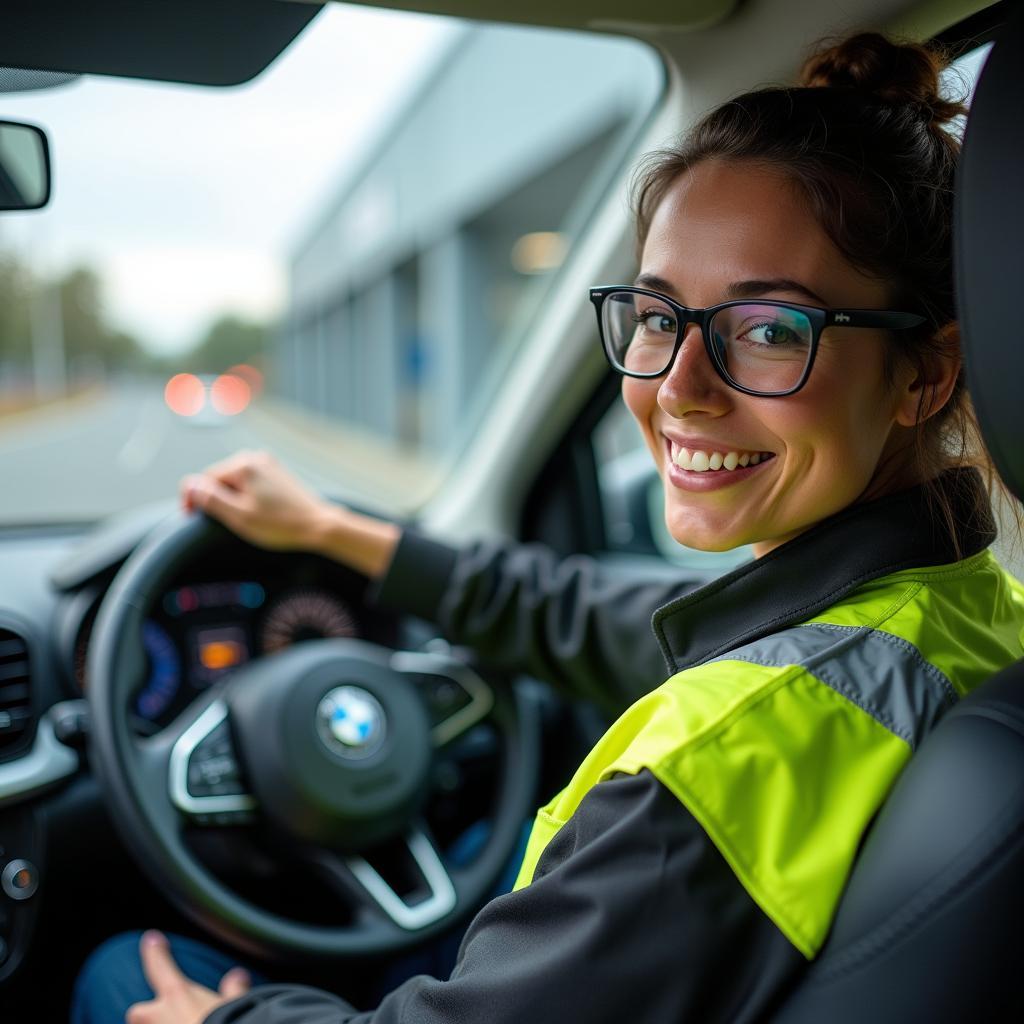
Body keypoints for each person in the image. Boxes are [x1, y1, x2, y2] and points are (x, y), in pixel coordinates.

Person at [73, 31, 1024, 1024]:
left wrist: (218, 1021)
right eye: (657, 315)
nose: (676, 390)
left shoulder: (721, 761)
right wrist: (327, 528)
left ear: (927, 372)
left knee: (120, 975)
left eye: (768, 330)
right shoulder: (961, 613)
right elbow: (598, 615)